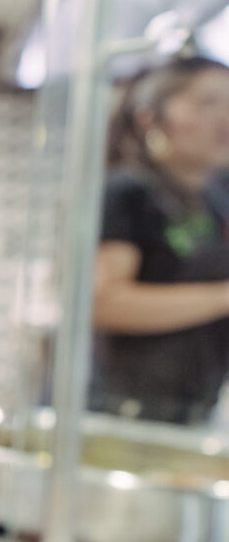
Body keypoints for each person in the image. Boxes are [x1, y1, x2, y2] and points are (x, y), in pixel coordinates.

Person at [90, 56, 229, 425]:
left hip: (196, 405)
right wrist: (222, 298)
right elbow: (105, 302)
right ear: (149, 118)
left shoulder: (217, 197)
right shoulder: (127, 192)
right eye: (208, 102)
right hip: (124, 410)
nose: (224, 117)